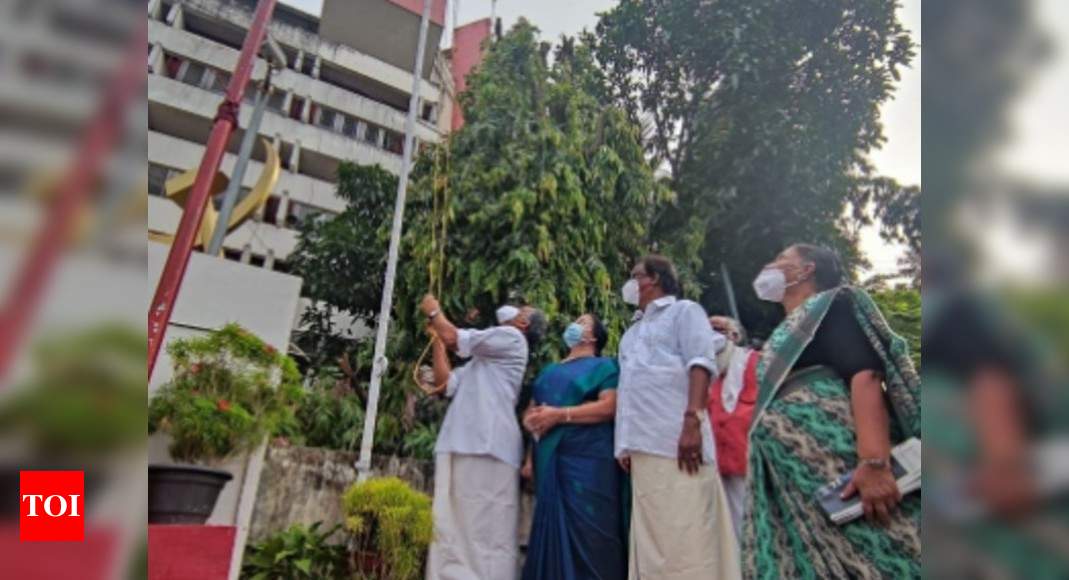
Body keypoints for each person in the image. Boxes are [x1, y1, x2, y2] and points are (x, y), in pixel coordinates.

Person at [743, 244, 921, 578]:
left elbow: (866, 375)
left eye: (781, 259)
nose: (770, 265)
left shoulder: (830, 308)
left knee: (885, 551)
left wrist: (874, 463)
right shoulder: (788, 329)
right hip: (798, 478)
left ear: (807, 269)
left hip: (842, 464)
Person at [614, 255, 741, 580]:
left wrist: (692, 422)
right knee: (654, 545)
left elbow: (700, 363)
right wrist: (623, 445)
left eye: (634, 275)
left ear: (653, 278)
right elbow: (628, 390)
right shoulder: (630, 335)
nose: (629, 283)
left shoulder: (684, 312)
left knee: (688, 537)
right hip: (642, 448)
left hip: (679, 443)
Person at [420, 294, 547, 580]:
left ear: (523, 322)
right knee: (452, 523)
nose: (515, 308)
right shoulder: (483, 361)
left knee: (483, 528)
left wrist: (434, 312)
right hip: (465, 439)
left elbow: (455, 337)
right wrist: (437, 339)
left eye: (522, 309)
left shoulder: (512, 338)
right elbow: (444, 384)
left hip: (486, 443)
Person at [520, 313, 628, 580]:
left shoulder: (605, 367)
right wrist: (529, 451)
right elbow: (532, 411)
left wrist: (559, 415)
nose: (574, 325)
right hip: (548, 456)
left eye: (582, 322)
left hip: (588, 461)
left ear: (593, 336)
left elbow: (609, 407)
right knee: (549, 528)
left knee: (591, 532)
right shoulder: (549, 371)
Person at [707, 315, 760, 540]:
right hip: (711, 461)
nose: (713, 336)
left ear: (735, 337)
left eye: (719, 330)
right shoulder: (701, 370)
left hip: (746, 457)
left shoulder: (754, 361)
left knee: (748, 525)